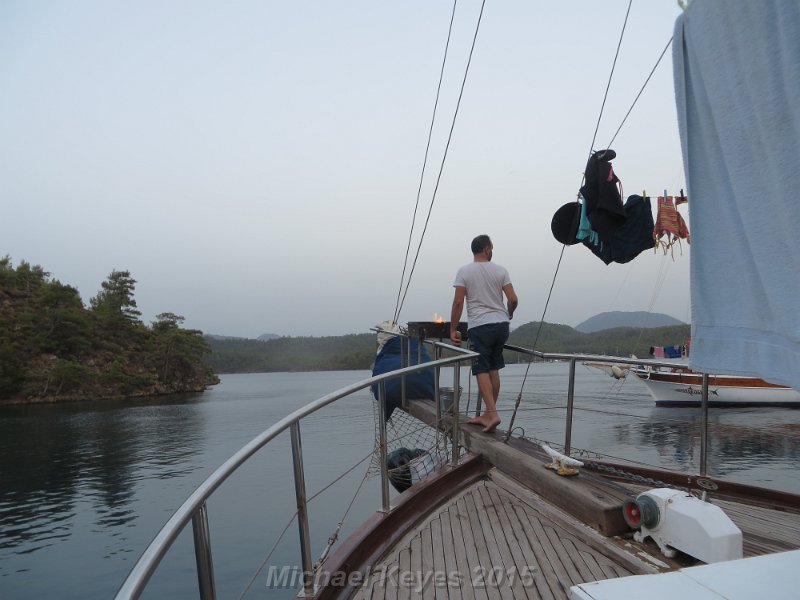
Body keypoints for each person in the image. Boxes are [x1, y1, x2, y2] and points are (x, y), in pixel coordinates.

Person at [449, 235, 518, 433]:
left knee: (480, 368)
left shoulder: (464, 271)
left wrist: (453, 329)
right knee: (493, 367)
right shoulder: (501, 270)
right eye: (492, 248)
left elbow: (458, 303)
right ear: (487, 249)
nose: (492, 252)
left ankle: (493, 413)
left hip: (480, 326)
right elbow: (513, 299)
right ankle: (489, 414)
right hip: (501, 325)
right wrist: (509, 313)